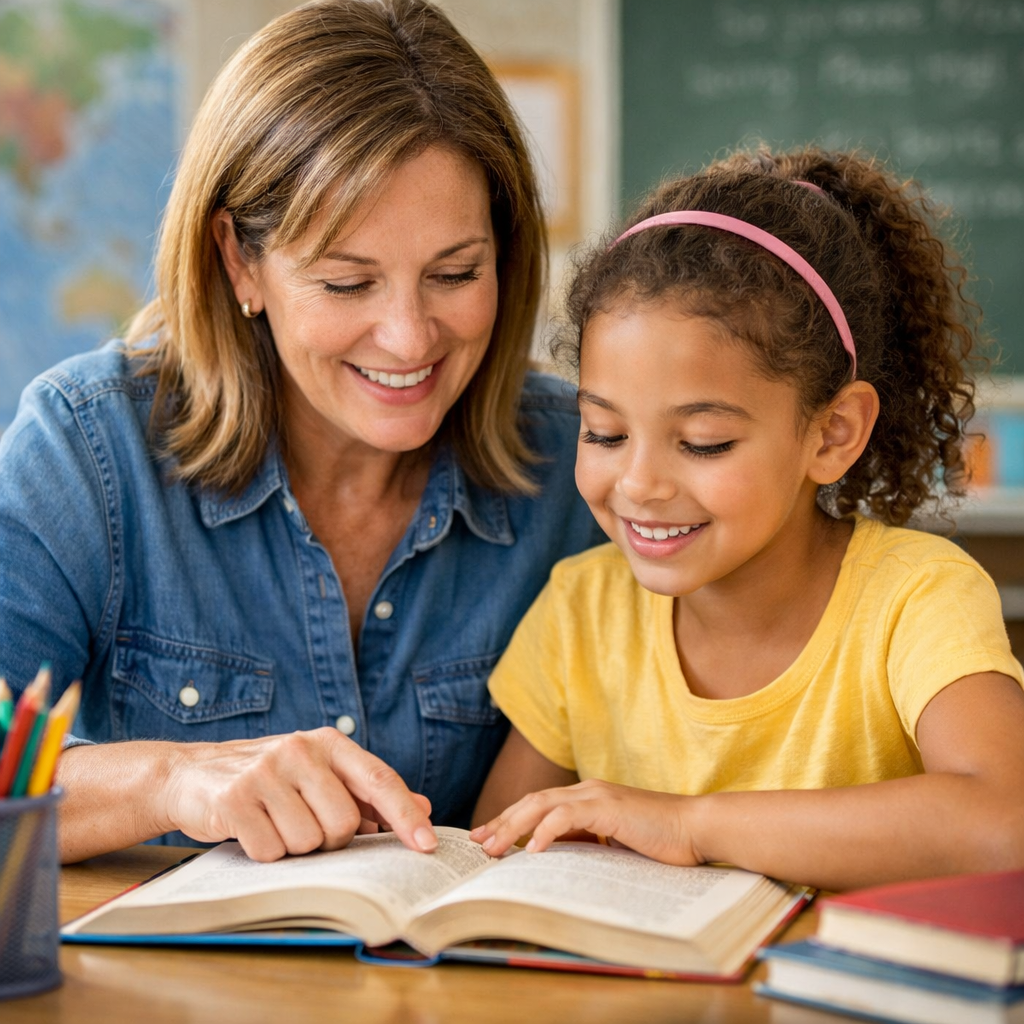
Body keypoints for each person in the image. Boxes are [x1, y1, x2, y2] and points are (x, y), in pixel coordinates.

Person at [0, 0, 603, 863]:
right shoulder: (86, 451)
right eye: (348, 283)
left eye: (455, 272)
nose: (409, 337)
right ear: (240, 261)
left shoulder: (587, 465)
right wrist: (171, 780)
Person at [470, 146, 1024, 890]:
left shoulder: (917, 599)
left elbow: (1003, 822)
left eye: (704, 442)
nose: (638, 482)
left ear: (832, 434)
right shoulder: (582, 609)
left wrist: (688, 823)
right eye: (603, 432)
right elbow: (492, 862)